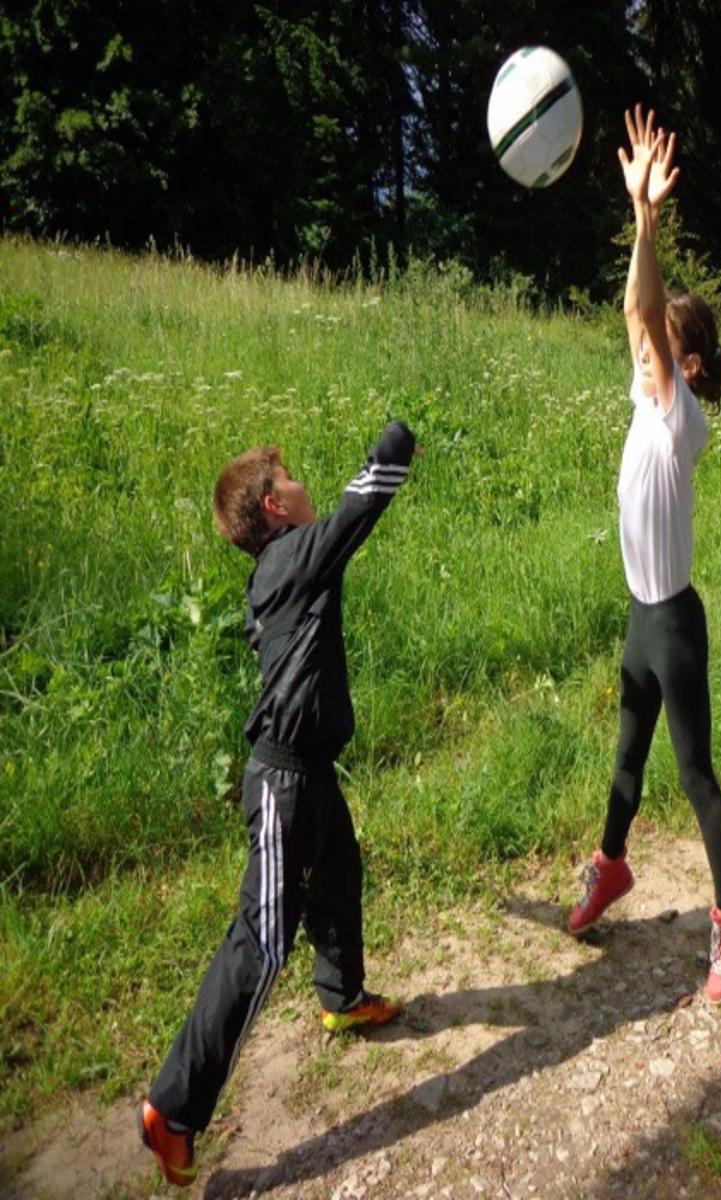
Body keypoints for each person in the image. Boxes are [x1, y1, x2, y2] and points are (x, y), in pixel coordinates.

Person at [139, 421, 417, 1187]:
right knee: (261, 941)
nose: (301, 483)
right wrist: (397, 441)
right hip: (284, 785)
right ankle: (174, 1108)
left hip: (310, 775)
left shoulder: (284, 567)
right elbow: (364, 503)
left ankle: (342, 995)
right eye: (289, 477)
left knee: (339, 874)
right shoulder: (294, 555)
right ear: (275, 504)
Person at [568, 105, 721, 1005]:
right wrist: (638, 221)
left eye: (657, 350)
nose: (642, 351)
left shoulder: (682, 420)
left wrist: (647, 217)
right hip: (640, 621)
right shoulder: (648, 399)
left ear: (686, 367)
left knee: (694, 776)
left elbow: (644, 307)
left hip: (675, 625)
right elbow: (632, 309)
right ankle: (611, 866)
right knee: (626, 760)